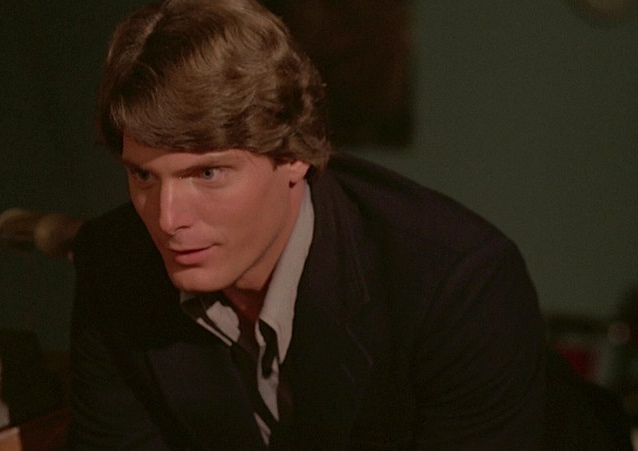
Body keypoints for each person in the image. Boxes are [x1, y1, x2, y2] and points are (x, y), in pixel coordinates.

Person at [68, 0, 629, 449]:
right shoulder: (115, 262)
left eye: (208, 173)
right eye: (143, 176)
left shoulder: (457, 284)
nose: (167, 219)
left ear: (294, 156)